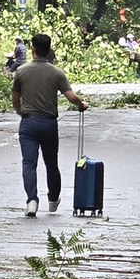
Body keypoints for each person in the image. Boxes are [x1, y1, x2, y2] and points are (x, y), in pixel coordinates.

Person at [11, 33, 88, 217]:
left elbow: (15, 99)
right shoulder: (56, 73)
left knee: (29, 164)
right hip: (49, 124)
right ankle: (53, 200)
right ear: (49, 50)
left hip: (28, 123)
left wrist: (21, 112)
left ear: (33, 49)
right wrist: (81, 104)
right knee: (51, 164)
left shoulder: (22, 71)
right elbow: (71, 96)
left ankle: (31, 201)